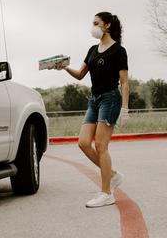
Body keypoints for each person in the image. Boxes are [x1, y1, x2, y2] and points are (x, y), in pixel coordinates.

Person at [55, 11, 130, 208]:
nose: (93, 26)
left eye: (96, 23)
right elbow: (80, 74)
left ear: (107, 26)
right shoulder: (92, 50)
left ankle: (106, 193)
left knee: (101, 146)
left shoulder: (118, 51)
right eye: (92, 23)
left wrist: (125, 109)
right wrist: (63, 67)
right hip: (94, 99)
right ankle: (112, 175)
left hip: (110, 99)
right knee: (83, 143)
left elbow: (124, 82)